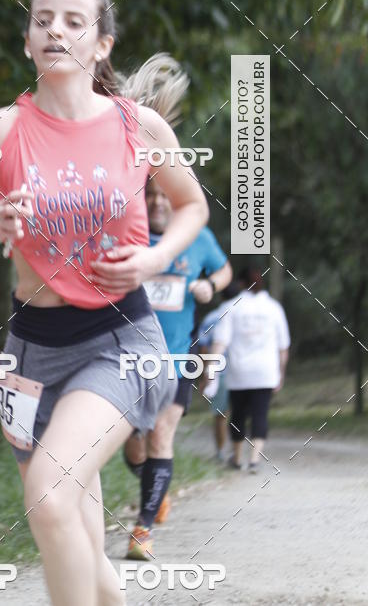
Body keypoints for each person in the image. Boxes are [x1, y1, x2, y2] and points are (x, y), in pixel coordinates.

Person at [0, 0, 210, 606]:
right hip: (30, 353)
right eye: (42, 19)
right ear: (27, 41)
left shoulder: (139, 127)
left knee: (48, 496)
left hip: (121, 339)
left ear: (101, 45)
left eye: (75, 21)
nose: (55, 29)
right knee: (75, 531)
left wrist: (155, 258)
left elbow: (193, 206)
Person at [123, 176, 232, 560]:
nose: (157, 202)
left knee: (160, 436)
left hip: (176, 357)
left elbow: (224, 270)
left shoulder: (196, 237)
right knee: (134, 447)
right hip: (127, 361)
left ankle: (143, 530)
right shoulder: (126, 233)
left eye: (164, 195)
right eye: (149, 194)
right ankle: (158, 488)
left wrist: (210, 286)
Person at [212, 267, 290, 473]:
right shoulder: (274, 308)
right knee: (260, 414)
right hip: (266, 371)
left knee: (238, 414)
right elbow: (283, 346)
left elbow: (220, 342)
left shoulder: (230, 307)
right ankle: (254, 460)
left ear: (240, 284)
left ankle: (237, 458)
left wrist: (210, 369)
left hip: (239, 372)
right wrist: (281, 373)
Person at [197, 279, 243, 461]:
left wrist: (204, 375)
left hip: (219, 372)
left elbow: (203, 348)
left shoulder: (211, 318)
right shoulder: (245, 314)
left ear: (221, 296)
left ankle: (221, 452)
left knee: (220, 414)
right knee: (239, 413)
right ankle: (237, 452)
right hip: (241, 371)